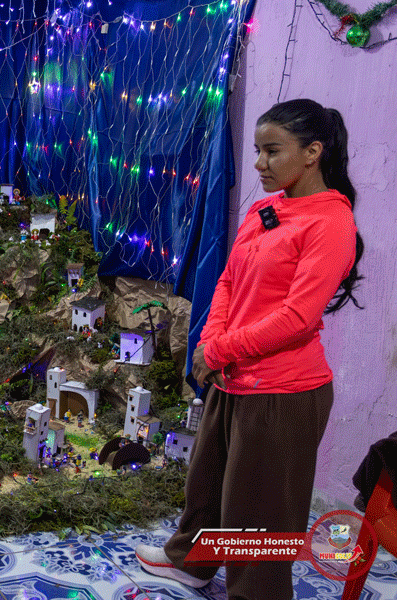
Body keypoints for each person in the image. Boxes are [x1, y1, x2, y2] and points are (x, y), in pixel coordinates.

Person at [135, 99, 363, 600]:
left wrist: (218, 351)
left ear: (312, 153)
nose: (259, 163)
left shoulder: (330, 222)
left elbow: (297, 319)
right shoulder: (266, 209)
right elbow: (228, 281)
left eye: (272, 151)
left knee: (259, 514)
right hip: (234, 373)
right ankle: (193, 564)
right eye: (258, 150)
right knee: (208, 486)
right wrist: (211, 343)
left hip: (282, 391)